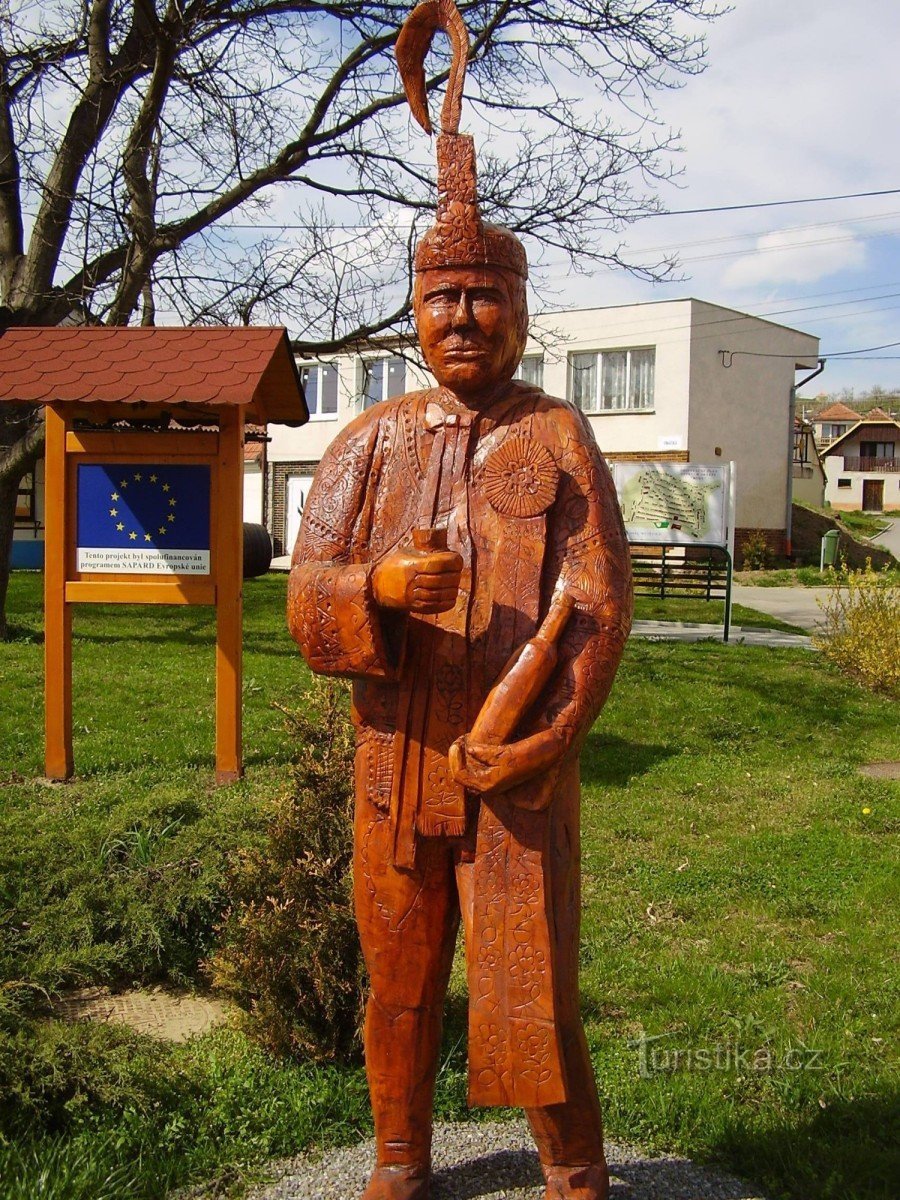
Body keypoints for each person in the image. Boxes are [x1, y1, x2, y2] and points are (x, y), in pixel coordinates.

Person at [287, 4, 632, 1197]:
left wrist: (546, 738)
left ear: (521, 312)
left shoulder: (558, 434)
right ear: (415, 317)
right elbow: (304, 598)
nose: (464, 319)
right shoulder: (368, 444)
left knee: (530, 974)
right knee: (398, 975)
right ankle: (398, 1152)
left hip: (515, 772)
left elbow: (596, 610)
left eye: (485, 299)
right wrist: (372, 586)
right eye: (442, 302)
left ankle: (573, 1169)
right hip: (397, 768)